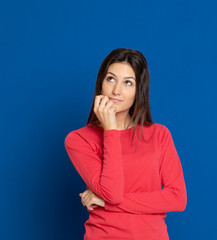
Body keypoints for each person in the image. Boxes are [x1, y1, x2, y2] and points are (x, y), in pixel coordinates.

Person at [64, 48, 187, 240]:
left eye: (128, 83)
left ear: (138, 90)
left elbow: (177, 199)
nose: (116, 91)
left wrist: (105, 203)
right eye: (110, 79)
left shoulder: (159, 134)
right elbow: (111, 193)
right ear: (100, 84)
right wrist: (110, 130)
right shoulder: (79, 140)